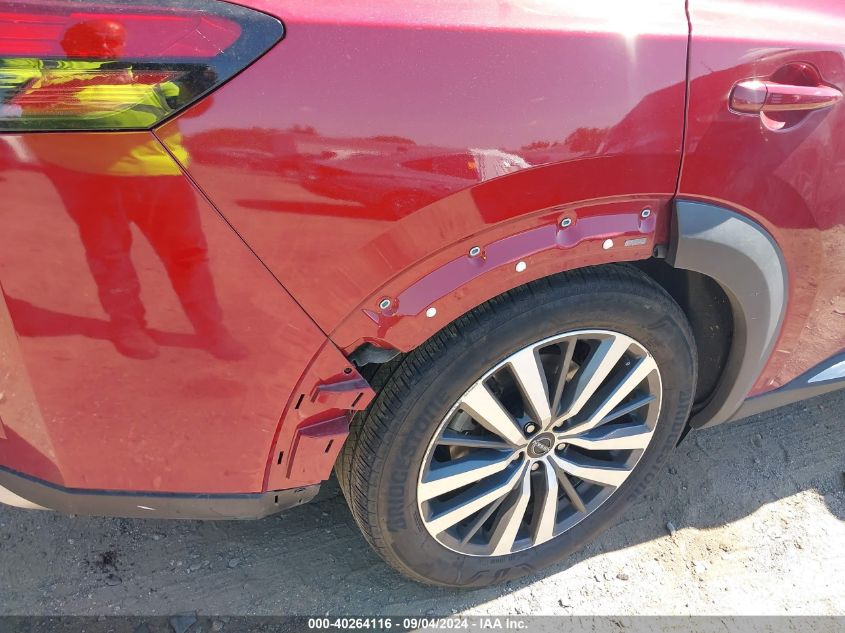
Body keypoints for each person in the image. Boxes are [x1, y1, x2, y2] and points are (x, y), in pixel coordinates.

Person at [17, 19, 246, 360]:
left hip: (162, 176)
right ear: (70, 45)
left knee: (187, 255)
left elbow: (196, 103)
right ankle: (127, 325)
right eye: (96, 39)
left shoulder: (146, 70)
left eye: (114, 42)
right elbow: (31, 100)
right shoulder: (47, 72)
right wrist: (103, 80)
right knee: (109, 256)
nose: (107, 48)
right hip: (89, 180)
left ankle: (211, 328)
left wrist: (197, 81)